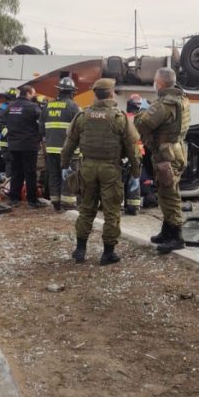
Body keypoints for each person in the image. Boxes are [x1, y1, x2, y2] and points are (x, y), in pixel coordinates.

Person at [61, 78, 141, 266]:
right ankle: (108, 253)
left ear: (95, 94)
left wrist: (64, 165)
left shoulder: (82, 116)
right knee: (111, 212)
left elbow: (68, 145)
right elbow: (132, 149)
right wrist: (136, 173)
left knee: (86, 210)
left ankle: (80, 250)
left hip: (87, 168)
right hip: (110, 170)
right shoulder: (119, 117)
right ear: (112, 93)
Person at [134, 67, 190, 254]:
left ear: (159, 84)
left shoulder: (163, 105)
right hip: (178, 150)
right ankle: (167, 231)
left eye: (155, 81)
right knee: (166, 192)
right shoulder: (182, 99)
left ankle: (176, 236)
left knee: (170, 194)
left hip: (166, 155)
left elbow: (141, 124)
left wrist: (142, 110)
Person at [0, 85, 44, 208]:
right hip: (29, 145)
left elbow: (0, 120)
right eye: (33, 93)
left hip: (13, 145)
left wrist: (8, 133)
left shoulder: (10, 107)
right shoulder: (33, 107)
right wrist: (40, 137)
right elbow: (41, 124)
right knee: (30, 173)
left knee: (16, 172)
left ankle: (14, 199)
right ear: (29, 93)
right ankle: (32, 200)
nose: (34, 95)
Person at [41, 78, 80, 211]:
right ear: (71, 93)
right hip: (68, 150)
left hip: (51, 148)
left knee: (54, 175)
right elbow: (79, 129)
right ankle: (68, 204)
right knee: (69, 176)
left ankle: (55, 202)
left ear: (59, 90)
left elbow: (41, 128)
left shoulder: (48, 105)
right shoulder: (73, 106)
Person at [0, 87, 19, 176]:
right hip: (11, 142)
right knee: (13, 164)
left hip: (7, 143)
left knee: (9, 164)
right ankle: (10, 185)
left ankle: (9, 185)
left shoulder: (3, 108)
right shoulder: (17, 108)